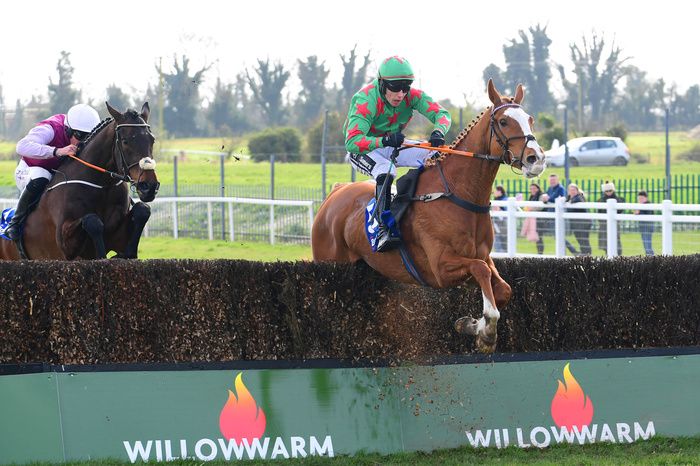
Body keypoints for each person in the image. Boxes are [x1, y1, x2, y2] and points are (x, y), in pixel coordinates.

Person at [344, 55, 451, 252]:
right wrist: (383, 141)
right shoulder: (365, 99)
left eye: (406, 87)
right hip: (363, 148)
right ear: (382, 83)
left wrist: (438, 132)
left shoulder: (412, 96)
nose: (401, 94)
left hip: (391, 144)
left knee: (436, 154)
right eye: (395, 87)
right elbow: (352, 141)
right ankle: (383, 228)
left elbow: (442, 115)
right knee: (387, 169)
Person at [4, 103, 101, 244]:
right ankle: (15, 223)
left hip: (56, 173)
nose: (84, 142)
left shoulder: (78, 133)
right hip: (29, 170)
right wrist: (57, 151)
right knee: (42, 176)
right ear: (68, 130)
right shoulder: (49, 129)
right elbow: (21, 146)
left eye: (89, 137)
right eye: (81, 136)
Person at [596, 181, 625, 256]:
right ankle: (608, 254)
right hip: (603, 223)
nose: (608, 192)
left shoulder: (619, 199)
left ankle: (618, 255)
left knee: (616, 239)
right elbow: (599, 212)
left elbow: (620, 210)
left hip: (615, 223)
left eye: (610, 190)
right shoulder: (600, 200)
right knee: (605, 240)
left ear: (613, 190)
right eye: (606, 191)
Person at [566, 183, 592, 255]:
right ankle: (584, 254)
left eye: (573, 190)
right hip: (576, 224)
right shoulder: (569, 198)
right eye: (570, 190)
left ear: (577, 191)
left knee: (584, 239)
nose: (572, 192)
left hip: (584, 223)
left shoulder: (579, 197)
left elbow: (577, 200)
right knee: (580, 239)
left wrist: (570, 202)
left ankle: (587, 254)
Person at [539, 174, 566, 240]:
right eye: (551, 180)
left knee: (558, 236)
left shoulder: (561, 188)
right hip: (551, 214)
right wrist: (545, 200)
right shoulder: (550, 188)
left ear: (558, 180)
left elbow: (561, 199)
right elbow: (547, 200)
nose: (552, 181)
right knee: (556, 236)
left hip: (558, 214)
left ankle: (572, 250)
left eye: (554, 180)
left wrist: (548, 199)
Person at [524, 182, 545, 254]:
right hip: (534, 219)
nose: (532, 190)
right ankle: (539, 253)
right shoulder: (532, 196)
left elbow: (540, 207)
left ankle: (540, 253)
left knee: (539, 237)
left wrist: (531, 208)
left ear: (538, 189)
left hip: (540, 219)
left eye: (534, 188)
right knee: (537, 237)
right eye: (531, 189)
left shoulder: (541, 196)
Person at [634, 190, 655, 255]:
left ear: (646, 198)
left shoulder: (648, 204)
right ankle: (649, 256)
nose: (640, 200)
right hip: (643, 227)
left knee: (647, 245)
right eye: (639, 199)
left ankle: (651, 257)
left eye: (641, 198)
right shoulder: (640, 205)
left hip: (647, 227)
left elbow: (648, 214)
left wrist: (639, 212)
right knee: (646, 245)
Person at [491, 186, 508, 252]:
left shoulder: (505, 199)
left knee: (503, 238)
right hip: (496, 222)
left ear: (500, 191)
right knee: (496, 238)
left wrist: (499, 209)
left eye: (495, 191)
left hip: (503, 223)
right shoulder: (496, 199)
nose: (494, 192)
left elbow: (505, 211)